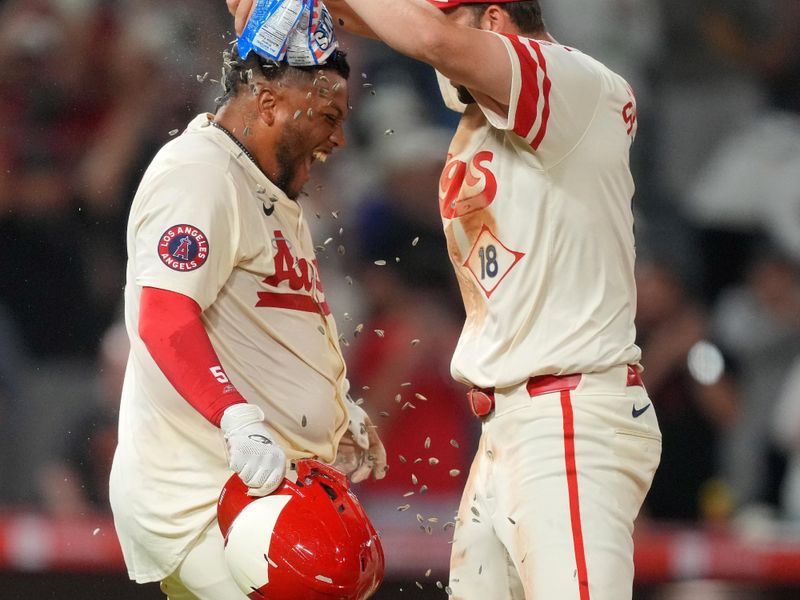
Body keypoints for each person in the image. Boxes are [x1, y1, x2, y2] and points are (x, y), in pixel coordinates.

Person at [227, 1, 662, 598]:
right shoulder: (489, 106)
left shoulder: (569, 81)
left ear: (494, 22)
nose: (442, 62)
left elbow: (430, 37)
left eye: (458, 25)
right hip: (508, 424)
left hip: (570, 417)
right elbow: (404, 27)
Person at [109, 44, 387, 600]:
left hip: (258, 489)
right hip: (208, 495)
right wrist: (236, 419)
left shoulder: (265, 190)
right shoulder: (201, 171)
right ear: (267, 102)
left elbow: (270, 327)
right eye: (329, 118)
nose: (339, 140)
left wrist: (333, 419)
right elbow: (164, 318)